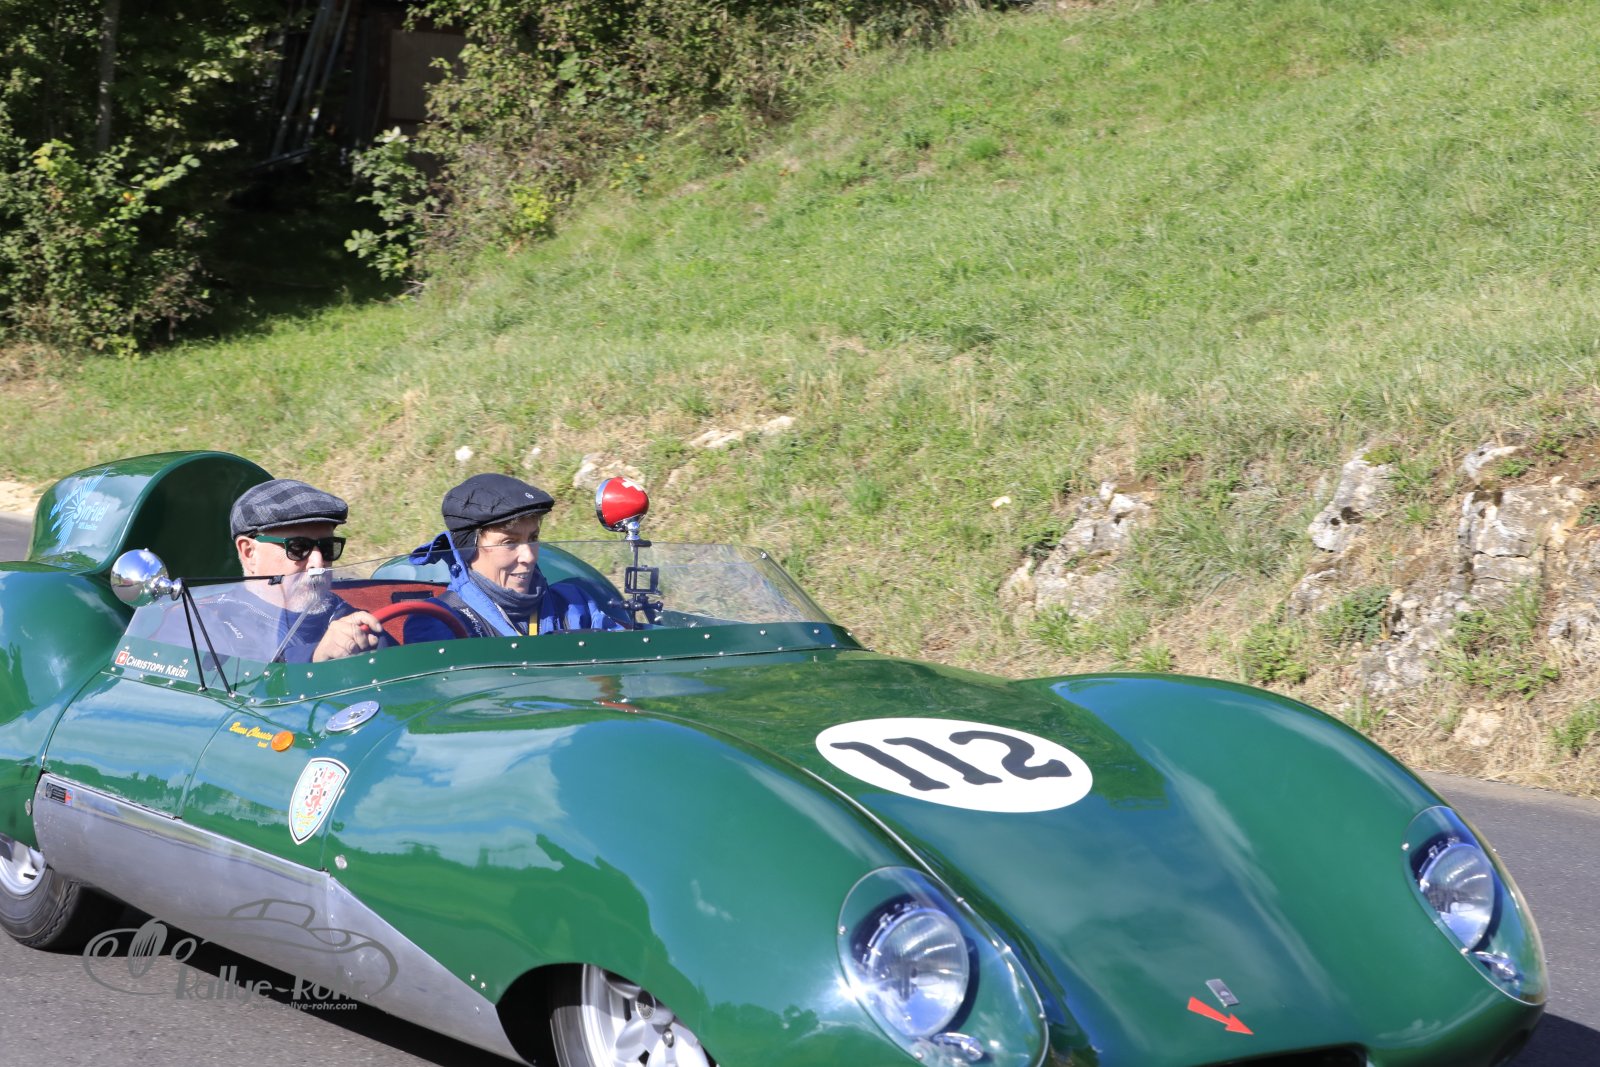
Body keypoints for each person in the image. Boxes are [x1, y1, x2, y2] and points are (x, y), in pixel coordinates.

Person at [402, 473, 624, 643]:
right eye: (509, 542)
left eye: (533, 538)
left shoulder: (574, 603)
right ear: (468, 548)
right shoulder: (438, 620)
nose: (529, 556)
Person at [199, 479, 386, 663]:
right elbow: (240, 678)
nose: (318, 562)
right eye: (298, 547)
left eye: (327, 547)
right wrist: (313, 657)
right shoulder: (207, 625)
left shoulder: (349, 617)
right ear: (249, 553)